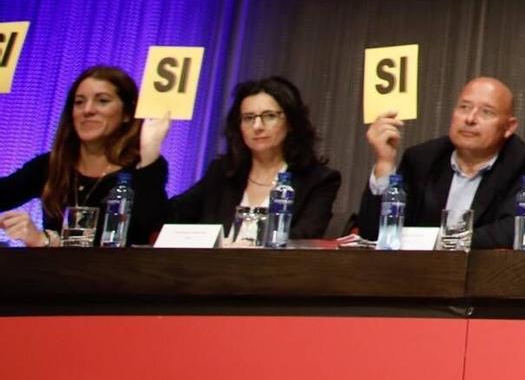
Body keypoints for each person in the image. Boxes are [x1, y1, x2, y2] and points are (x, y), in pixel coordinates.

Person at [356, 76, 525, 248]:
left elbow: (515, 233)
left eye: (486, 112)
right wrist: (384, 162)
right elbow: (375, 234)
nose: (470, 118)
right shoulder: (421, 159)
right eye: (464, 107)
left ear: (509, 127)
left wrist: (442, 241)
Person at [1, 65, 170, 247]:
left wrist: (47, 240)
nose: (87, 110)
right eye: (79, 102)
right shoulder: (50, 165)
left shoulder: (144, 167)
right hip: (52, 273)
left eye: (102, 101)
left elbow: (152, 232)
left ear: (127, 114)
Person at [166, 76, 342, 238]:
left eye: (270, 116)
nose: (257, 126)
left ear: (291, 123)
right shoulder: (222, 173)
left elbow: (304, 238)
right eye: (248, 118)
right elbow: (169, 216)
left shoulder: (319, 180)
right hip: (215, 271)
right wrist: (150, 158)